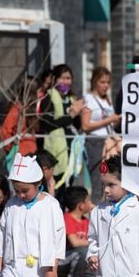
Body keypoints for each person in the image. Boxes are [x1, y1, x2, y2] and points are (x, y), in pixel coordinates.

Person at [40, 63, 84, 195]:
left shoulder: (71, 98)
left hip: (71, 149)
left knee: (68, 188)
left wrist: (77, 113)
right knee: (56, 187)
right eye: (63, 78)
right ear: (55, 79)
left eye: (68, 78)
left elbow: (76, 125)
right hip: (56, 150)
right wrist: (70, 115)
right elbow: (49, 123)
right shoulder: (48, 97)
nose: (66, 82)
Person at [81, 67, 121, 203]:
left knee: (110, 179)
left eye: (108, 82)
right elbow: (85, 126)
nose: (106, 86)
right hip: (95, 143)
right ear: (94, 82)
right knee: (98, 181)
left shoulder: (107, 100)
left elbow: (108, 125)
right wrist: (109, 120)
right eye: (102, 82)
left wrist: (115, 121)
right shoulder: (89, 99)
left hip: (109, 142)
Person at [58, 186, 94, 277]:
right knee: (84, 250)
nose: (91, 204)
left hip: (74, 258)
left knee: (91, 250)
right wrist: (91, 243)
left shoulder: (85, 221)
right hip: (63, 260)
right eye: (88, 201)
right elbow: (74, 242)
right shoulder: (67, 218)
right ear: (81, 206)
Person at [0, 76, 40, 157]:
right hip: (21, 154)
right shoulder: (17, 109)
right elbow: (4, 130)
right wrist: (11, 149)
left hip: (31, 153)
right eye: (38, 91)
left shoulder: (30, 109)